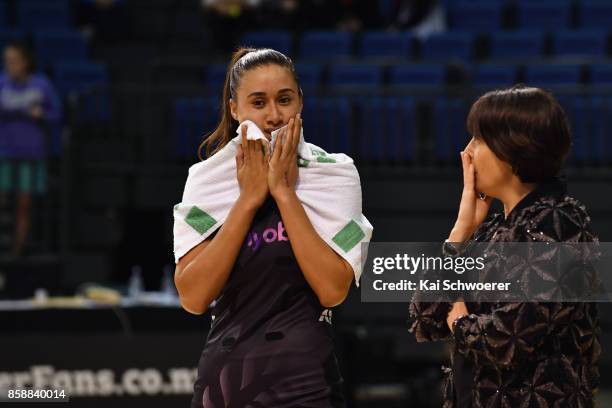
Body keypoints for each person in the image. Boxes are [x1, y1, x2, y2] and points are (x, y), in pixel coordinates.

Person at [174, 48, 370, 407]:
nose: (274, 116)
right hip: (226, 382)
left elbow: (332, 290)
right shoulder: (207, 180)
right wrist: (248, 200)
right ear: (235, 110)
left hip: (306, 380)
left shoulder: (334, 174)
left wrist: (283, 192)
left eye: (284, 100)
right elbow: (193, 296)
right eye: (258, 103)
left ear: (301, 103)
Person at [409, 86, 601, 407]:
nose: (466, 153)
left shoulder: (561, 223)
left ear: (512, 150)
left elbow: (507, 338)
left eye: (478, 140)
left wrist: (455, 316)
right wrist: (461, 232)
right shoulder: (493, 230)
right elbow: (424, 317)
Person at [0, 43, 62, 257]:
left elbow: (56, 114)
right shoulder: (2, 83)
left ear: (25, 62)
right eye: (7, 61)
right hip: (5, 152)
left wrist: (41, 114)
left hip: (31, 154)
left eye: (14, 61)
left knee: (24, 205)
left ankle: (18, 249)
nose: (10, 65)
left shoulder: (41, 84)